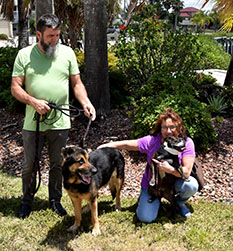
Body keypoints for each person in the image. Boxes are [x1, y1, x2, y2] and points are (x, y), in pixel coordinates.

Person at [11, 13, 96, 219]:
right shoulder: (24, 55)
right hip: (34, 123)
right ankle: (26, 201)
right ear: (38, 34)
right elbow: (15, 88)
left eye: (57, 35)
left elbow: (76, 84)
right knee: (30, 163)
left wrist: (85, 102)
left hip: (61, 122)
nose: (55, 39)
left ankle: (55, 200)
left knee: (59, 165)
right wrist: (33, 102)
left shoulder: (67, 53)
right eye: (50, 36)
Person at [98, 108, 198, 222]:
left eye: (172, 127)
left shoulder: (186, 143)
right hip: (153, 185)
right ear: (160, 128)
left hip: (174, 182)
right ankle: (149, 199)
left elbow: (186, 173)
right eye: (165, 127)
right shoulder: (152, 141)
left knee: (191, 186)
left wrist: (170, 169)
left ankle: (180, 203)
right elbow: (128, 144)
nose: (169, 131)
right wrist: (107, 145)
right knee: (145, 218)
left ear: (179, 128)